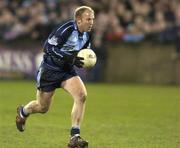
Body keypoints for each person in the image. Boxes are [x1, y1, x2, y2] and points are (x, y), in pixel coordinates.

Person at [15, 6, 95, 148]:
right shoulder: (66, 29)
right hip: (50, 70)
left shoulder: (87, 36)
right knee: (42, 107)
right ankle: (23, 112)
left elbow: (82, 54)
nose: (91, 22)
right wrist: (70, 58)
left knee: (81, 96)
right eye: (88, 19)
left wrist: (86, 61)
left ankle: (74, 136)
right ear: (79, 19)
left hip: (66, 71)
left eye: (92, 19)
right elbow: (48, 47)